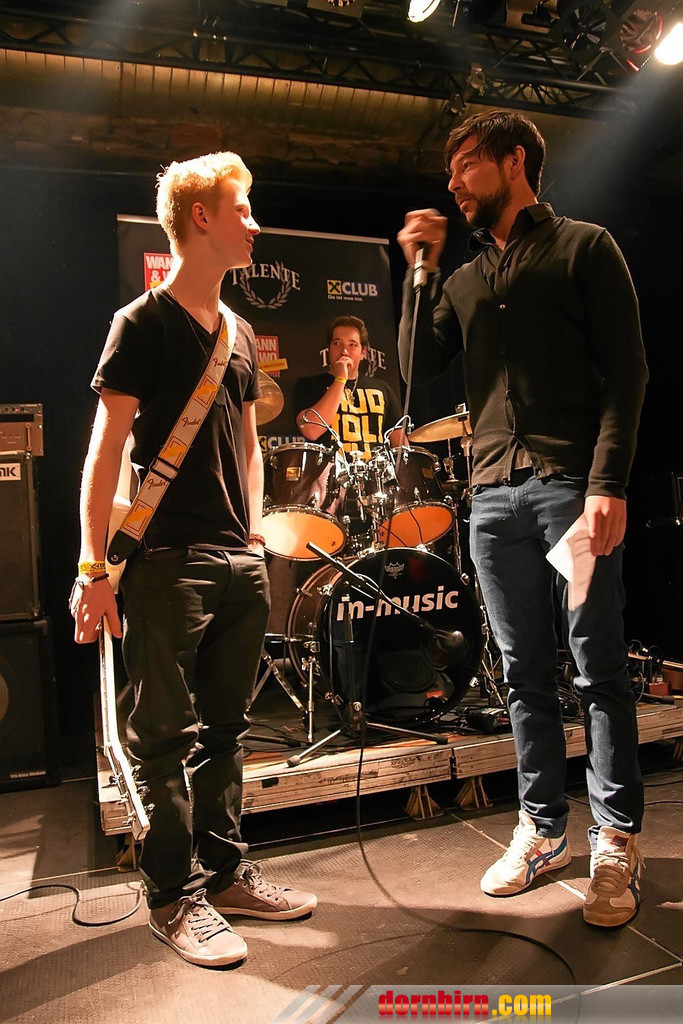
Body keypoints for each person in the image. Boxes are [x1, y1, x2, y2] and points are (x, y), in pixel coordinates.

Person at [397, 111, 648, 928]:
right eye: (449, 170)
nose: (453, 182)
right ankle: (542, 830)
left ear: (514, 161)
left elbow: (627, 371)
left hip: (569, 490)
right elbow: (417, 369)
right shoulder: (463, 278)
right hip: (493, 499)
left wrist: (607, 482)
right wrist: (419, 271)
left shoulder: (583, 247)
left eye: (466, 164)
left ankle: (615, 839)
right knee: (521, 675)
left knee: (596, 668)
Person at [70, 151, 316, 968]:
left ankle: (227, 873)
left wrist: (254, 536)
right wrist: (92, 570)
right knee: (163, 738)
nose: (254, 223)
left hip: (236, 560)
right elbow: (104, 452)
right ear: (201, 216)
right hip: (166, 562)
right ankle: (173, 898)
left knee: (228, 732)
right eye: (242, 208)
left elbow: (249, 444)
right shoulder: (140, 323)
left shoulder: (239, 332)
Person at [294, 315, 404, 457]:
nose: (344, 351)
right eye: (337, 343)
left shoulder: (382, 389)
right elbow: (311, 430)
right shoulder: (308, 385)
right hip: (329, 469)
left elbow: (401, 448)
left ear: (363, 352)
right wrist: (340, 379)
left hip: (374, 469)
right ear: (329, 349)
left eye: (352, 345)